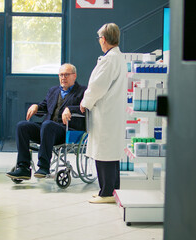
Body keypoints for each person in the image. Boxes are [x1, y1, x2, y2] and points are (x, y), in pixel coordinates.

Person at [7, 63, 86, 180]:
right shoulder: (53, 91)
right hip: (47, 129)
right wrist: (36, 107)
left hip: (65, 131)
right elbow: (44, 106)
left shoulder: (82, 91)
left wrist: (70, 109)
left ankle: (44, 166)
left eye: (66, 75)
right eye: (61, 75)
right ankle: (23, 167)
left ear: (74, 76)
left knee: (47, 125)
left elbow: (86, 108)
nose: (63, 78)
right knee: (22, 126)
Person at [80, 23, 127, 204]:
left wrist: (85, 102)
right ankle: (112, 189)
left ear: (104, 39)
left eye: (100, 38)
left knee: (104, 153)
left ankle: (106, 193)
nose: (99, 41)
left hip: (105, 113)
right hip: (111, 112)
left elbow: (97, 87)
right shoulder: (117, 57)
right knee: (111, 153)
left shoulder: (109, 60)